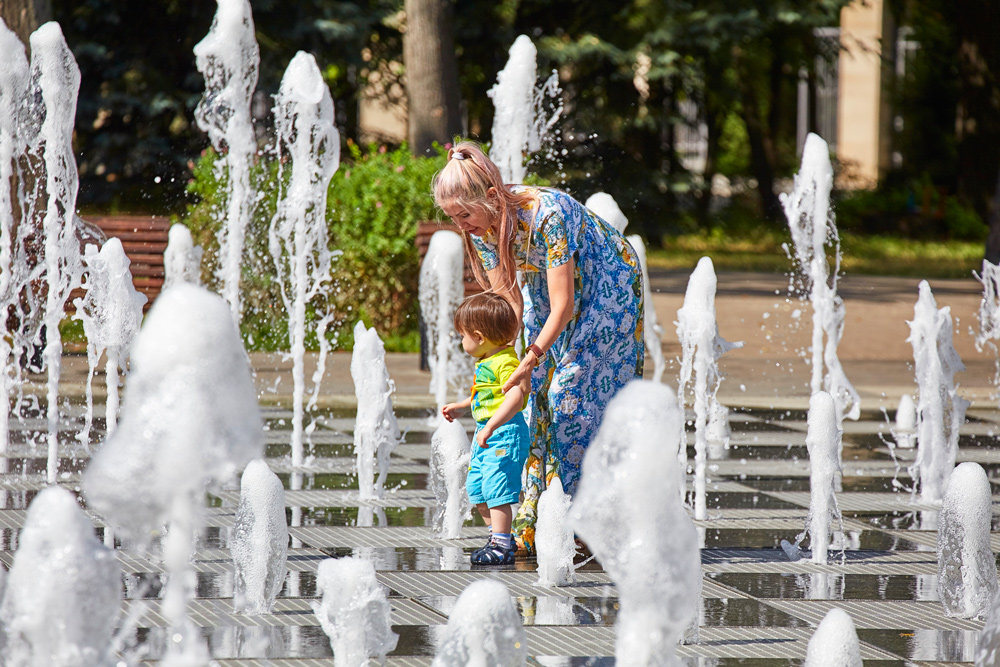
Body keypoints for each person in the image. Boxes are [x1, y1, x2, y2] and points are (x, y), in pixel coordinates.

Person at [433, 140, 644, 554]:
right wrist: (499, 372)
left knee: (570, 395)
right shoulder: (483, 230)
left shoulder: (548, 215)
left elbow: (562, 305)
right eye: (451, 218)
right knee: (535, 398)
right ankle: (538, 516)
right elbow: (508, 309)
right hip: (552, 287)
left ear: (492, 198)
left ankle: (590, 522)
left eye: (465, 214)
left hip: (608, 283)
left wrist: (531, 358)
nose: (462, 225)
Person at [441, 291, 530, 565]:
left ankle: (502, 545)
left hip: (504, 433)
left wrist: (491, 425)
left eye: (463, 336)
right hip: (488, 434)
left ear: (479, 337)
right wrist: (463, 406)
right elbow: (487, 396)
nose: (461, 341)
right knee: (478, 488)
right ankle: (497, 538)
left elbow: (516, 396)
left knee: (497, 489)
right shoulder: (487, 361)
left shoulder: (506, 361)